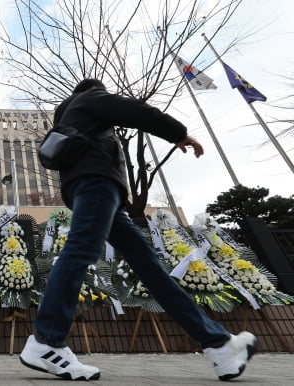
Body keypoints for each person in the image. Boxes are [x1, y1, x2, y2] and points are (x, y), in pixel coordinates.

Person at [19, 79, 257, 381]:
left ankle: (219, 345)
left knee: (151, 269)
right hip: (98, 185)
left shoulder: (70, 115)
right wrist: (179, 133)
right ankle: (46, 341)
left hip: (100, 193)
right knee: (81, 251)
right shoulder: (90, 99)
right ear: (93, 89)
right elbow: (135, 110)